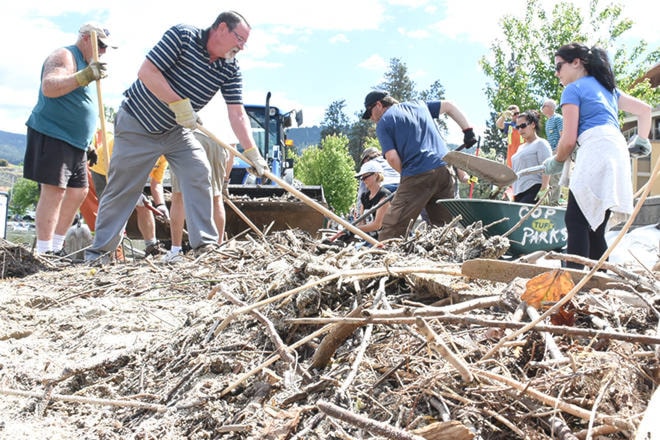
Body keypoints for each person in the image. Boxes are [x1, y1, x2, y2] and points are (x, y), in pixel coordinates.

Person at [85, 11, 268, 264]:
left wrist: (252, 152)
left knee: (198, 171)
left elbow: (237, 113)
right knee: (122, 190)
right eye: (239, 38)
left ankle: (204, 246)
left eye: (244, 42)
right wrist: (179, 103)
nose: (241, 47)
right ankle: (99, 254)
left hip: (175, 131)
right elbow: (147, 72)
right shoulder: (183, 36)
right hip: (138, 123)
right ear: (222, 28)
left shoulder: (230, 68)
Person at [543, 42, 652, 269]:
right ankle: (597, 279)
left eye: (558, 67)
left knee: (575, 220)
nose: (556, 74)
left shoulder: (572, 89)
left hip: (596, 146)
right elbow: (645, 110)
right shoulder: (609, 89)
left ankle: (573, 281)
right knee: (595, 226)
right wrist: (642, 139)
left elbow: (569, 139)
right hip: (617, 147)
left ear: (576, 63)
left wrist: (557, 160)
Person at [23, 23, 115, 255]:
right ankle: (44, 252)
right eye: (100, 45)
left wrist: (90, 142)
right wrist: (84, 76)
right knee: (55, 190)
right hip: (54, 133)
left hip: (77, 142)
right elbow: (49, 87)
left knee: (79, 191)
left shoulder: (87, 64)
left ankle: (57, 247)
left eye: (105, 47)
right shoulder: (64, 55)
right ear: (85, 38)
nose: (103, 51)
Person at [361, 90, 477, 240]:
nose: (371, 118)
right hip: (445, 170)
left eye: (370, 113)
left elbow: (391, 158)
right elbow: (449, 106)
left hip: (417, 172)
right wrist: (468, 131)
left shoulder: (384, 122)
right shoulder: (419, 105)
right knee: (443, 227)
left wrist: (408, 178)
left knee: (393, 225)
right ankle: (448, 258)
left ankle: (383, 258)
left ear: (378, 105)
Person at [89, 130, 169, 257]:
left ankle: (152, 246)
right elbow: (121, 171)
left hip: (131, 173)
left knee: (144, 204)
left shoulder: (164, 156)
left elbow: (156, 183)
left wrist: (160, 205)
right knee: (114, 208)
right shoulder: (139, 144)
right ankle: (105, 251)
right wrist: (133, 194)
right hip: (105, 168)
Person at [163, 130, 233, 262]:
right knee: (216, 197)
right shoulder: (227, 109)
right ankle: (216, 248)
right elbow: (232, 146)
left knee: (178, 196)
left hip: (185, 138)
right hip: (215, 139)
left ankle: (176, 251)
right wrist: (225, 181)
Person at [511, 110, 552, 204]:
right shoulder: (520, 147)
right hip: (518, 192)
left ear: (533, 124)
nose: (520, 130)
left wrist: (544, 188)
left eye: (523, 126)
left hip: (534, 190)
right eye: (518, 127)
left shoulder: (541, 143)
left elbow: (547, 167)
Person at [353, 161, 392, 239]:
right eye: (361, 178)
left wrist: (353, 229)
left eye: (365, 177)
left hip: (383, 239)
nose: (363, 180)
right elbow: (361, 221)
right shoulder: (365, 197)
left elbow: (377, 225)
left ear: (376, 175)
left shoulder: (384, 195)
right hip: (369, 238)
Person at [355, 146, 399, 213]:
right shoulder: (389, 161)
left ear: (366, 159)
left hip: (385, 190)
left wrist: (358, 212)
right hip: (401, 187)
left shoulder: (368, 166)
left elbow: (362, 192)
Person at [540, 99, 564, 204]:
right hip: (551, 151)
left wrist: (558, 150)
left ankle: (554, 202)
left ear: (550, 107)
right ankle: (549, 200)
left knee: (555, 177)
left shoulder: (558, 118)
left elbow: (563, 134)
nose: (542, 108)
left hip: (557, 151)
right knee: (550, 177)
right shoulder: (548, 121)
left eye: (544, 106)